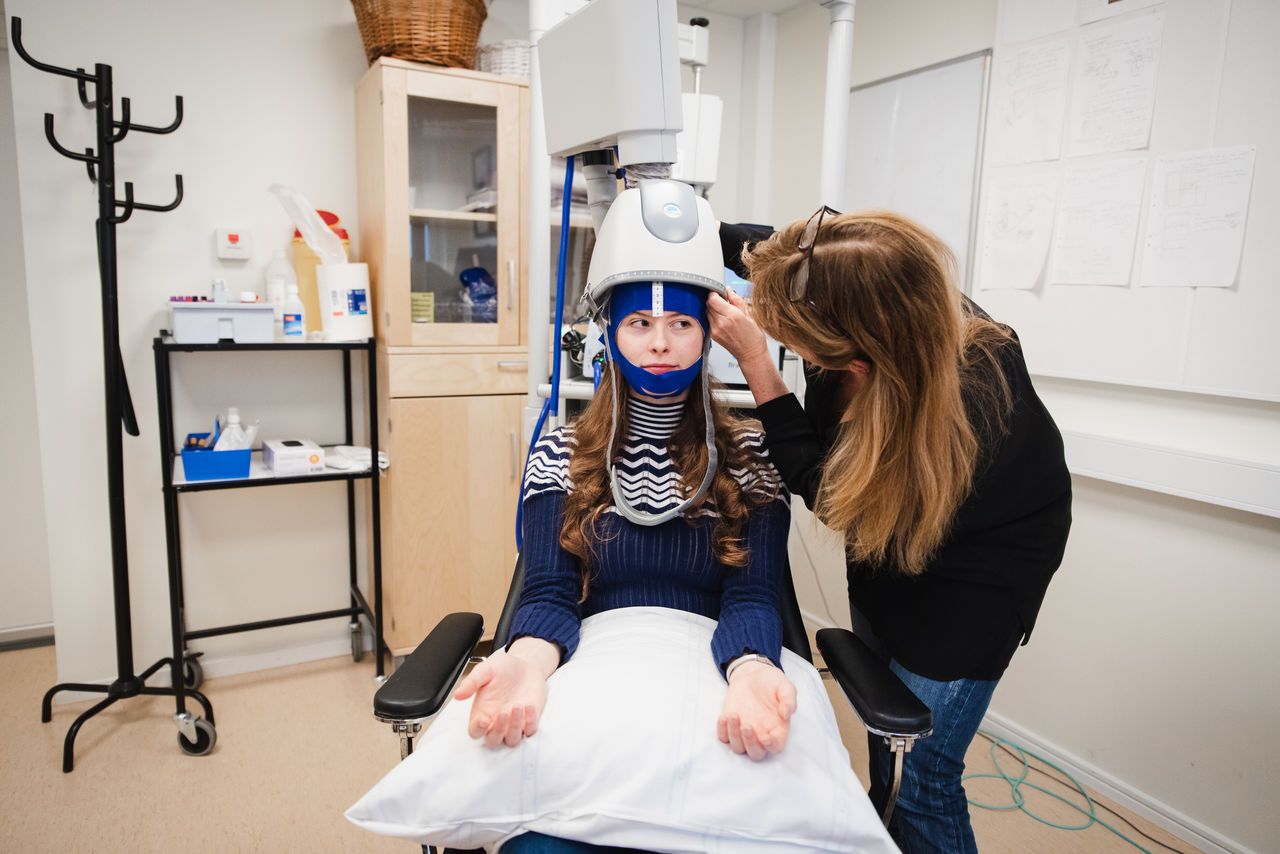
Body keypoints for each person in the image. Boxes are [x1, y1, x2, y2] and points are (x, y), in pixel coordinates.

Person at [706, 208, 1072, 854]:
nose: (799, 355)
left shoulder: (963, 410)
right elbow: (777, 254)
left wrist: (759, 365)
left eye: (806, 350)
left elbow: (834, 496)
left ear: (863, 362)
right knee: (884, 736)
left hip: (972, 587)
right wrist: (686, 222)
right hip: (891, 555)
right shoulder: (866, 273)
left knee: (926, 774)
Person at [452, 278, 796, 854]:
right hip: (594, 672)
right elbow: (547, 593)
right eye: (640, 324)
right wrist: (527, 660)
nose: (660, 344)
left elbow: (753, 597)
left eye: (681, 325)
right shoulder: (558, 453)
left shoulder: (753, 456)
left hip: (709, 674)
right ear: (608, 336)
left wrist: (754, 667)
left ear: (707, 336)